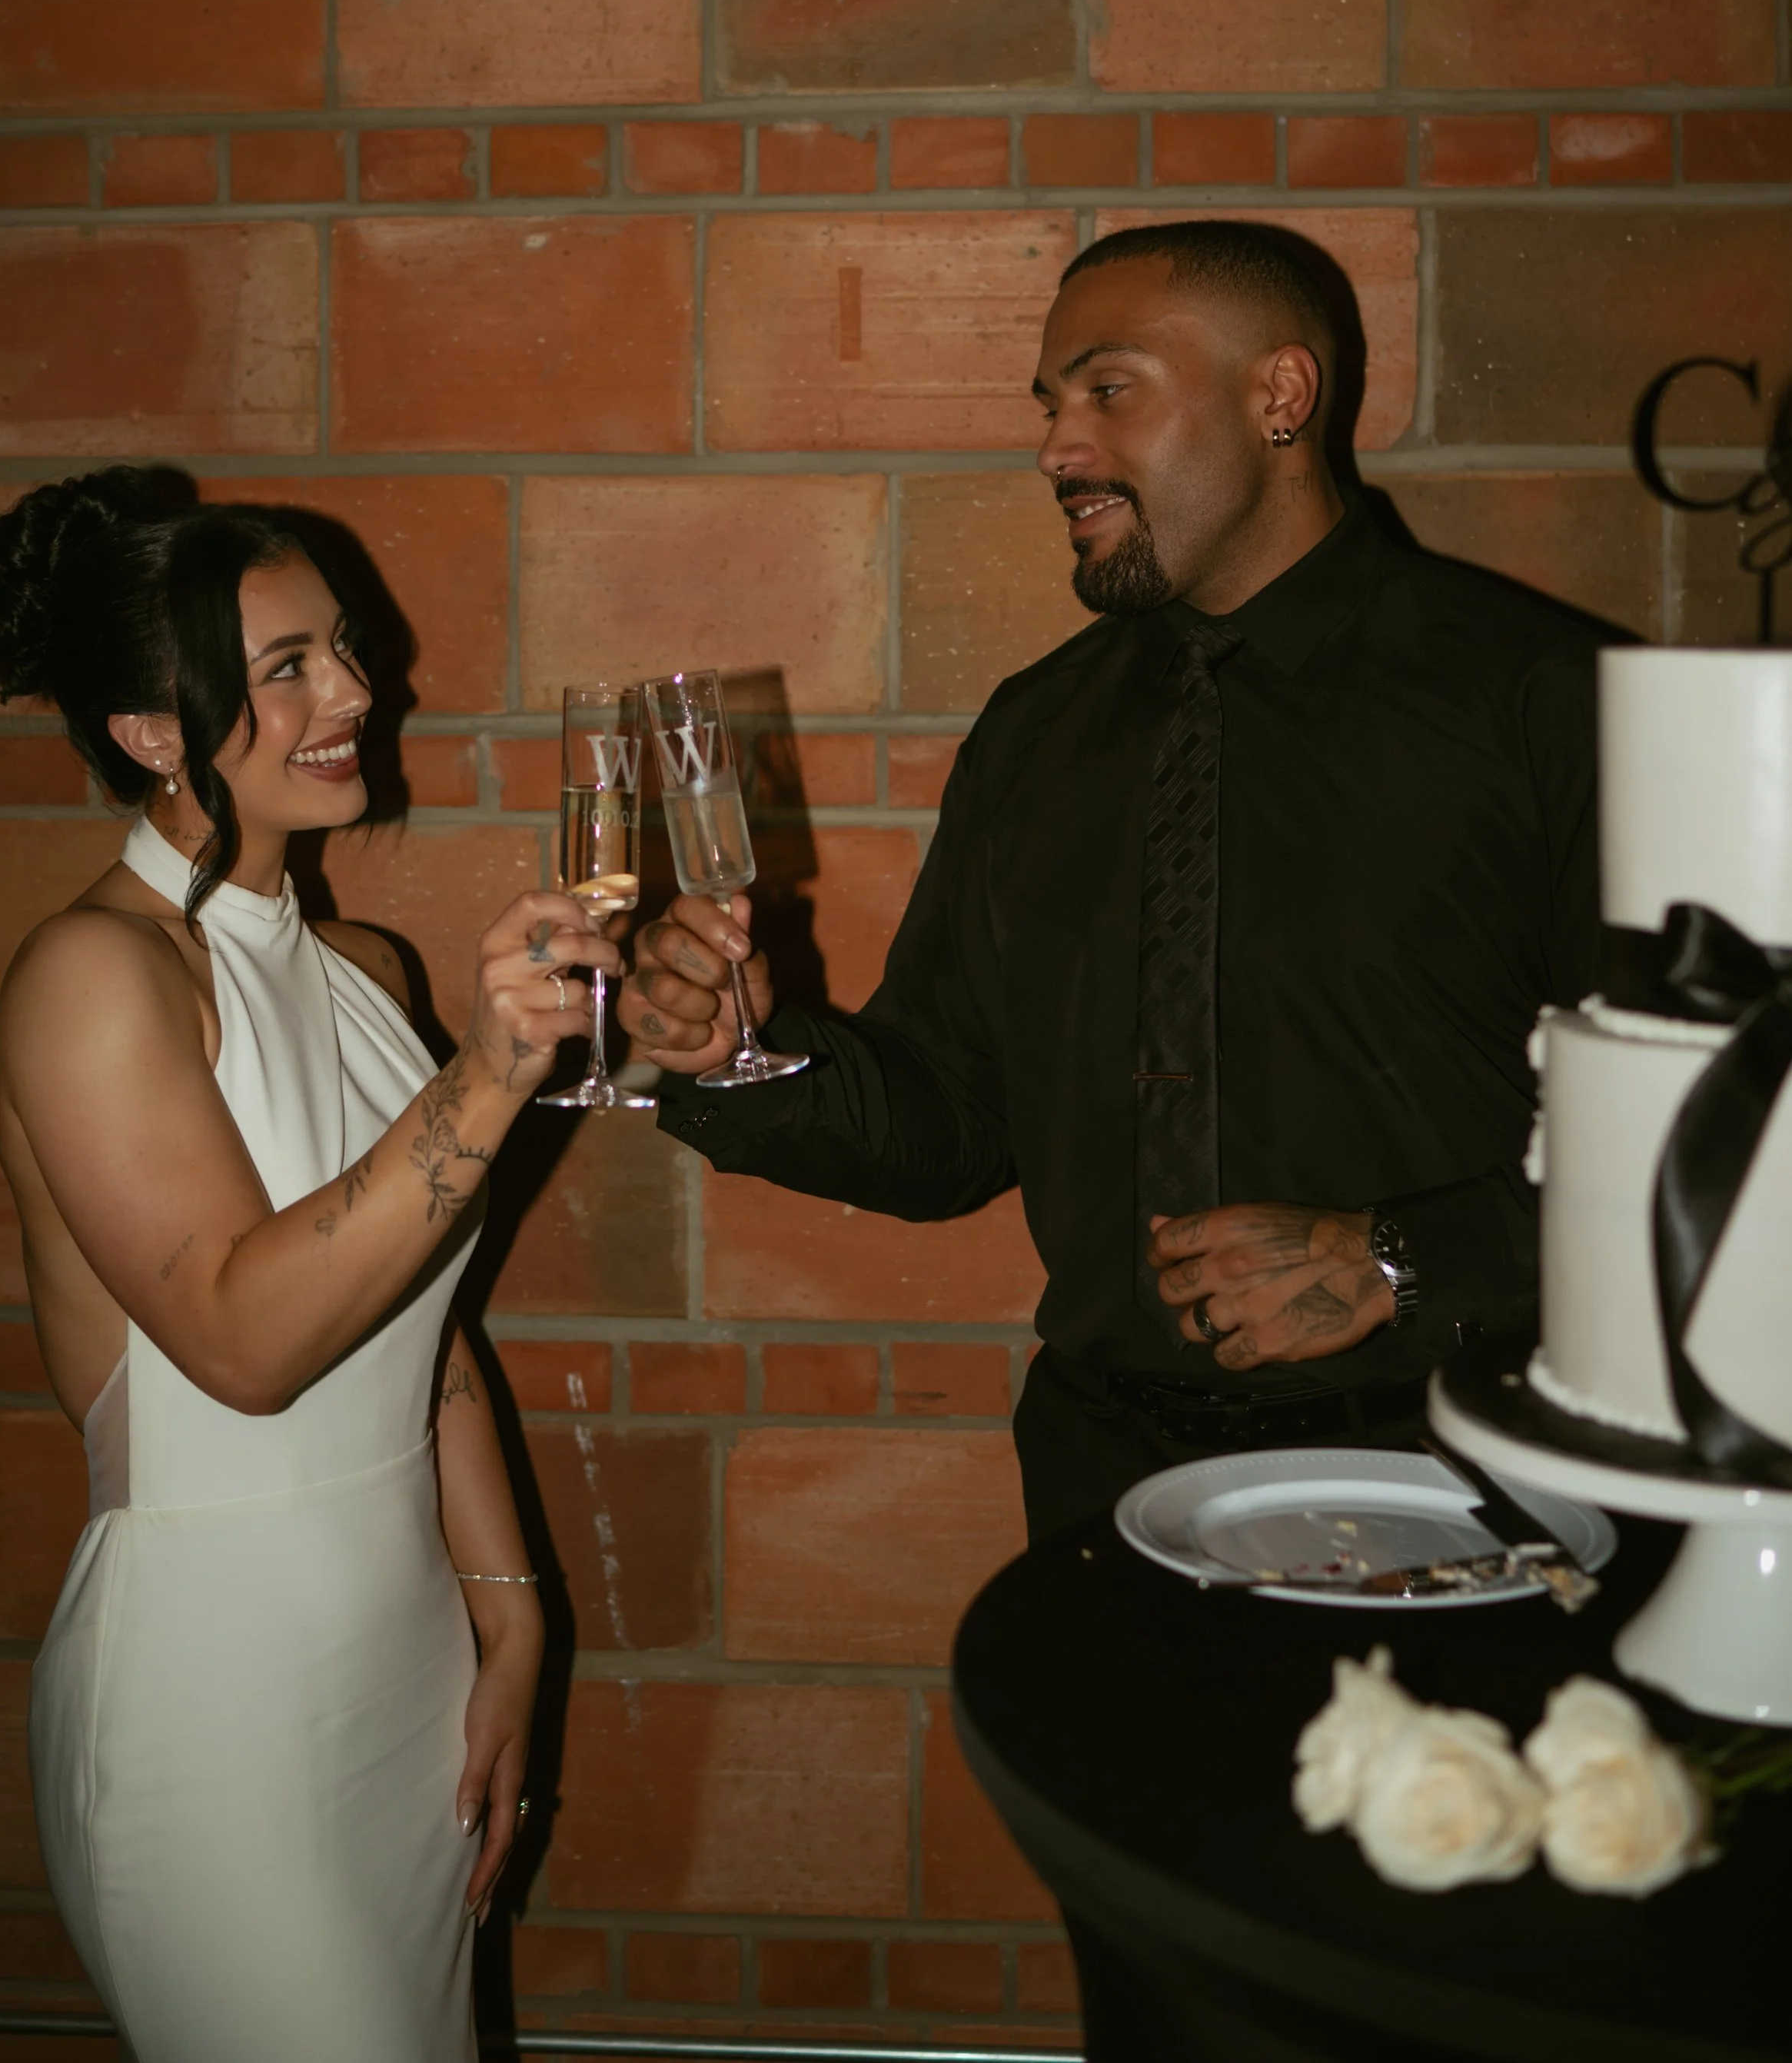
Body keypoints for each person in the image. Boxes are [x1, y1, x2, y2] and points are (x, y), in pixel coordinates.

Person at [621, 219, 1605, 1543]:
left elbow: (1723, 1129)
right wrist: (740, 1058)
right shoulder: (1036, 734)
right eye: (1051, 405)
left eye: (1108, 389)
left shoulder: (1549, 703)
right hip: (1106, 1497)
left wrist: (1398, 1256)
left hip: (1465, 1490)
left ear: (1280, 395)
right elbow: (951, 1120)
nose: (1056, 448)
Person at [0, 468, 615, 2063]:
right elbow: (245, 1345)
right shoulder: (93, 974)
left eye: (343, 648)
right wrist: (491, 1072)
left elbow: (424, 1333)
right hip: (219, 1706)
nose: (357, 692)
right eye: (288, 667)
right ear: (151, 731)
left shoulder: (363, 967)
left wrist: (511, 1617)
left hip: (406, 1675)